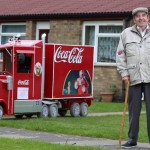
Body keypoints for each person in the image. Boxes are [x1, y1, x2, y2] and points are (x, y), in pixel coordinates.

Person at [116, 7, 150, 149]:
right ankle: (132, 139)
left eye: (143, 15)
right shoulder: (126, 34)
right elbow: (120, 54)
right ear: (134, 19)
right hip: (133, 77)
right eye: (137, 16)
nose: (141, 18)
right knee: (133, 111)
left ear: (148, 17)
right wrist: (124, 73)